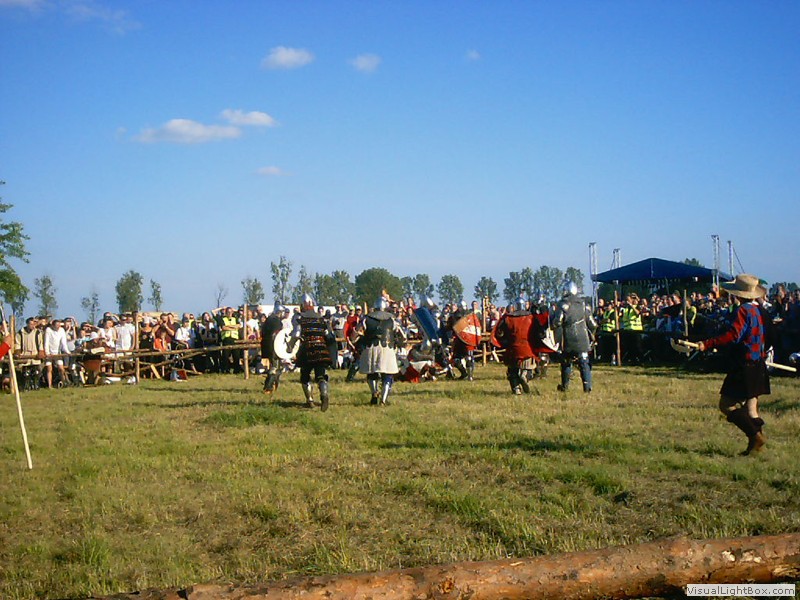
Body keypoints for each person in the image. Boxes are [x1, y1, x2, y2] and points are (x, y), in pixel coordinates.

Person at [697, 274, 772, 456]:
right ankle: (755, 446)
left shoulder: (743, 311)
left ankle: (755, 436)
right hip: (757, 364)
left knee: (726, 405)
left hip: (744, 366)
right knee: (751, 409)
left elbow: (734, 336)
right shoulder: (759, 311)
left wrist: (708, 344)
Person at [359, 297, 405, 405]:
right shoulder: (392, 319)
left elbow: (356, 332)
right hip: (387, 348)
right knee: (387, 374)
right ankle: (383, 400)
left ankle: (374, 393)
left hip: (371, 347)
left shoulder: (366, 318)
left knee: (372, 373)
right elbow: (402, 335)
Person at [553, 282, 597, 393]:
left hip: (568, 337)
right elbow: (593, 324)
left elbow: (557, 322)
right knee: (584, 361)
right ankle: (587, 387)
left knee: (566, 361)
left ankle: (565, 386)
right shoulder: (584, 304)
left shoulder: (563, 304)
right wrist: (591, 336)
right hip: (583, 338)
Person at [293, 294, 333, 411]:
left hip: (307, 350)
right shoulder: (321, 319)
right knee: (321, 375)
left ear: (303, 305)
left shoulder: (300, 318)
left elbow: (296, 334)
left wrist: (290, 346)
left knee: (305, 375)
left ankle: (310, 400)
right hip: (321, 349)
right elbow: (328, 335)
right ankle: (324, 394)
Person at [491, 297, 537, 395]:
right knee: (528, 366)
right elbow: (537, 333)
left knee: (512, 371)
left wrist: (505, 342)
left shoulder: (507, 318)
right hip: (527, 349)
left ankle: (516, 389)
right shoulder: (531, 317)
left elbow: (499, 333)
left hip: (512, 348)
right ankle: (525, 375)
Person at [261, 302, 288, 394]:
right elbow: (275, 335)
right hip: (273, 346)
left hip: (267, 346)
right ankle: (268, 387)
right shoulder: (276, 321)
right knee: (275, 367)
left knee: (276, 366)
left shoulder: (268, 319)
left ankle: (273, 384)